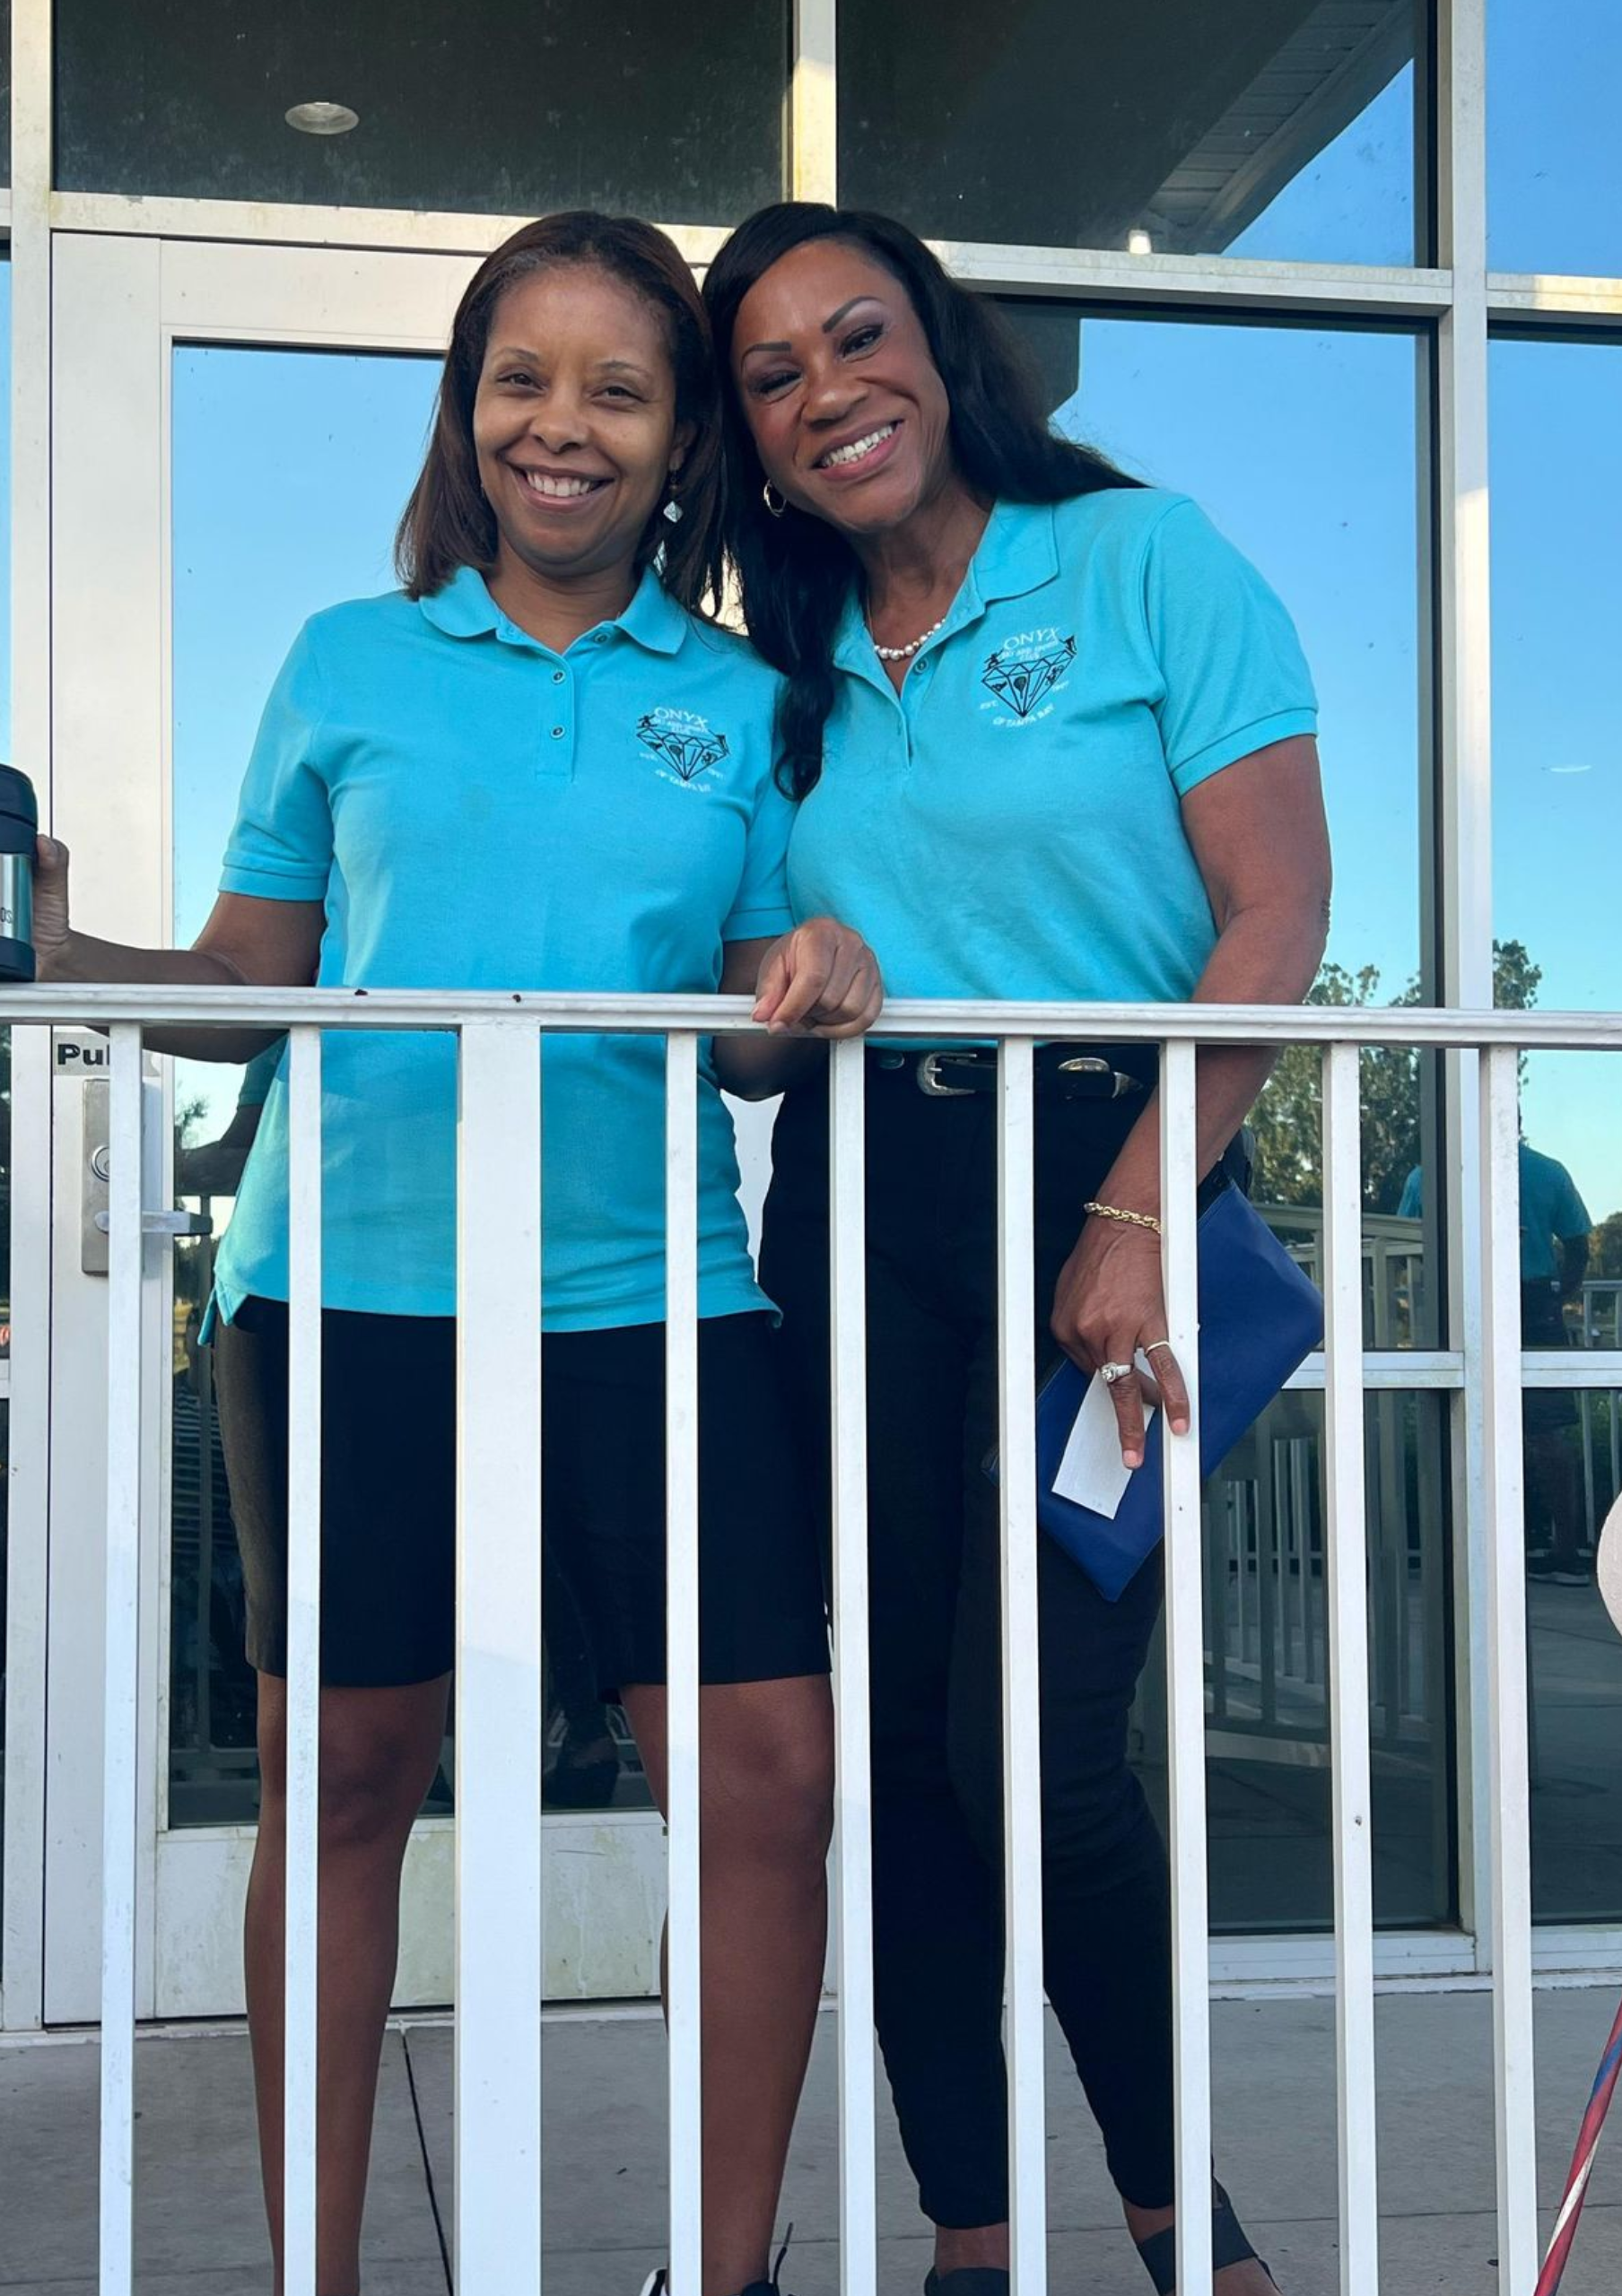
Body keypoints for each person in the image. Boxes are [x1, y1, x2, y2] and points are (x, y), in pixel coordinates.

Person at [33, 210, 884, 2296]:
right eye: (522, 379)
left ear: (681, 440)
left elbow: (750, 1020)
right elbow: (252, 982)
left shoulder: (743, 702)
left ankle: (725, 2270)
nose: (560, 425)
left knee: (769, 1782)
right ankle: (317, 2273)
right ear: (465, 409)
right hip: (351, 1293)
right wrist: (57, 950)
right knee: (344, 1777)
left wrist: (810, 974)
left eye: (618, 387)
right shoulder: (350, 660)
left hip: (652, 1299)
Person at [703, 204, 1333, 2296]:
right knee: (899, 1755)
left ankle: (1183, 2229)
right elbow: (746, 977)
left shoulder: (1139, 559)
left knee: (1041, 1750)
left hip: (1110, 1175)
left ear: (941, 345)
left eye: (857, 334)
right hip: (863, 1201)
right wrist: (794, 965)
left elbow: (1275, 913)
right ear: (751, 439)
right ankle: (971, 2237)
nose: (827, 390)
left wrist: (1141, 1204)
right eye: (773, 375)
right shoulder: (783, 677)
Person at [1401, 1144, 1594, 1583]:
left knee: (1459, 1420)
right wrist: (1560, 1294)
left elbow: (1406, 1244)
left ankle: (1465, 1549)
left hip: (1458, 1295)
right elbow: (1579, 1247)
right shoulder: (1547, 1171)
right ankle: (1564, 1548)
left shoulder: (1428, 1173)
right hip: (1534, 1300)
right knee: (1546, 1429)